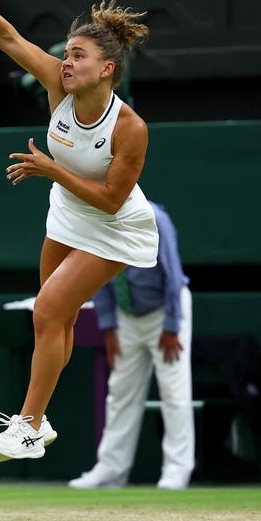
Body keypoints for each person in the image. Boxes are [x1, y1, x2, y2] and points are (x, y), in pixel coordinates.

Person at [0, 0, 156, 464]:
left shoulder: (131, 128)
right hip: (67, 211)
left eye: (78, 56)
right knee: (54, 319)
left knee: (45, 311)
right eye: (65, 53)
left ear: (108, 68)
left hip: (113, 225)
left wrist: (52, 171)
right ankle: (40, 422)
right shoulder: (56, 84)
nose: (66, 62)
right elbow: (6, 36)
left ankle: (26, 426)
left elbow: (110, 201)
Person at [68, 201, 193, 490]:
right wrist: (109, 327)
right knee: (120, 394)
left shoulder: (156, 219)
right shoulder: (97, 220)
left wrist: (172, 325)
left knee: (174, 393)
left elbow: (173, 275)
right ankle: (111, 470)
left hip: (165, 311)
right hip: (127, 316)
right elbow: (96, 277)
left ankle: (176, 472)